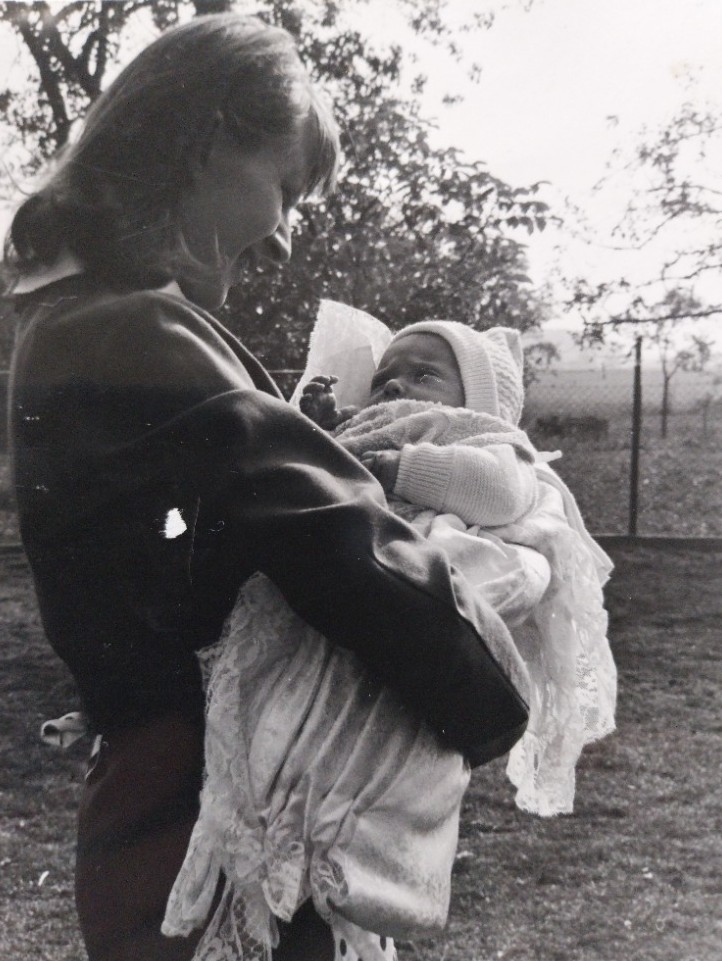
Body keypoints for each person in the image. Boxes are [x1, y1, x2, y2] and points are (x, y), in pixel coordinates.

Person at [3, 14, 530, 961]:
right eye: (284, 190)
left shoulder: (75, 319)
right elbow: (326, 527)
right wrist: (492, 690)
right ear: (203, 139)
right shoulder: (129, 334)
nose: (283, 242)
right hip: (200, 808)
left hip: (159, 793)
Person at [162, 318, 615, 960]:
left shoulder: (483, 438)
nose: (396, 388)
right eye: (384, 378)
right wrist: (320, 426)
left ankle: (327, 876)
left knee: (356, 787)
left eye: (424, 374)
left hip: (403, 602)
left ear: (478, 399)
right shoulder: (365, 430)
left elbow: (497, 491)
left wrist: (402, 466)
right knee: (266, 747)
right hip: (337, 604)